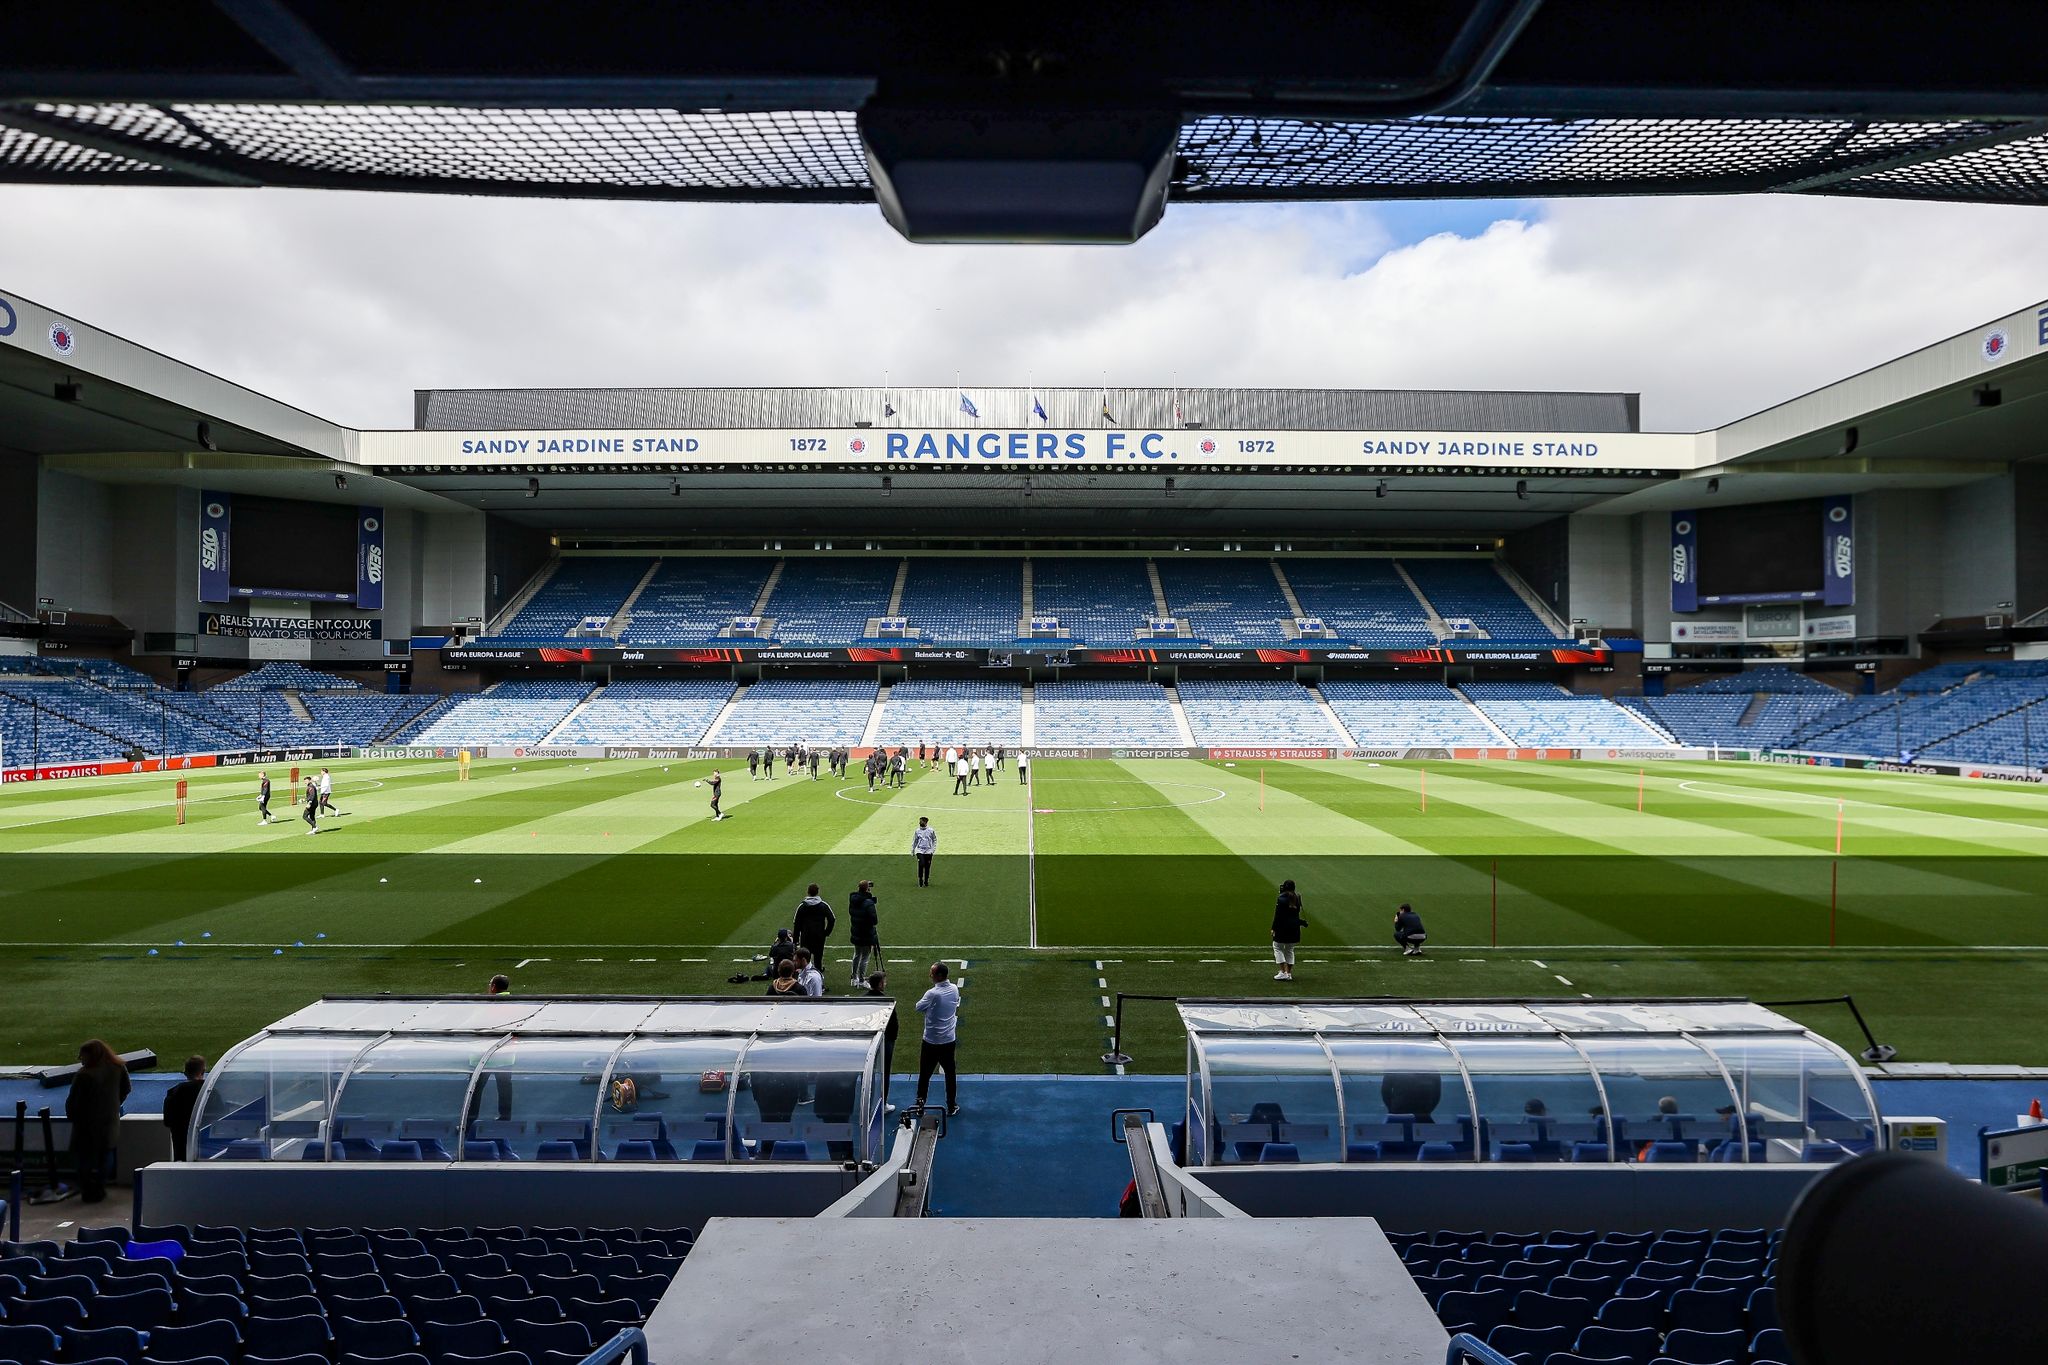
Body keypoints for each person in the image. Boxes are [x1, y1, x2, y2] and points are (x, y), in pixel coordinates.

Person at [66, 1039, 129, 1202]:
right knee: (105, 1154)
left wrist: (72, 1115)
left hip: (86, 1123)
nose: (81, 1059)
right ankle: (99, 1188)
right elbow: (126, 1088)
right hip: (109, 1120)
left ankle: (88, 1190)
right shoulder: (118, 1067)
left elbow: (74, 1101)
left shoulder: (84, 1075)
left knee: (83, 1158)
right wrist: (115, 1104)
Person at [914, 962, 962, 1116]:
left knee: (925, 1074)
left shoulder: (932, 993)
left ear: (940, 976)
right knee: (950, 1073)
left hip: (931, 1040)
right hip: (948, 1040)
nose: (930, 975)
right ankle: (951, 1105)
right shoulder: (954, 988)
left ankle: (920, 1104)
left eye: (933, 973)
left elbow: (918, 1007)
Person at [162, 1055, 205, 1161]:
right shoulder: (210, 1092)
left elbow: (167, 1121)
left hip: (181, 1149)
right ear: (203, 1071)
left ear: (185, 1073)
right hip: (205, 1148)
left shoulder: (174, 1093)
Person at [866, 971, 897, 1111]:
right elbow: (893, 1024)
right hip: (885, 1040)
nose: (885, 984)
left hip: (868, 1040)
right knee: (884, 1072)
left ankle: (866, 1102)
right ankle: (882, 1104)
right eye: (884, 982)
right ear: (879, 984)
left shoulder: (863, 998)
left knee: (869, 1072)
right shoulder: (887, 1001)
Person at [1271, 879, 1306, 981]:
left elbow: (1278, 915)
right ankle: (1289, 973)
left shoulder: (1281, 899)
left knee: (1277, 947)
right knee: (1290, 950)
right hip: (1294, 928)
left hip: (1282, 928)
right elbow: (1295, 915)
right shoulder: (1297, 898)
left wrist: (1273, 928)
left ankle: (1282, 972)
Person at [793, 884, 836, 967]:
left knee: (804, 958)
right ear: (818, 892)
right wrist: (826, 932)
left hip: (805, 936)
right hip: (819, 936)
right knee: (818, 958)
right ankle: (818, 974)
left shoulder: (802, 906)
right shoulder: (823, 905)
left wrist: (795, 939)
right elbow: (832, 919)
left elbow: (796, 923)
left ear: (808, 892)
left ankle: (805, 977)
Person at [848, 880, 880, 983]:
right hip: (866, 933)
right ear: (867, 888)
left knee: (857, 954)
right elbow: (874, 920)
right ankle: (861, 980)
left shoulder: (853, 900)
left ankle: (854, 978)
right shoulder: (868, 903)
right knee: (865, 957)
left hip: (856, 931)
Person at [912, 815, 937, 886]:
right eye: (920, 821)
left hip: (928, 851)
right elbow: (915, 841)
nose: (920, 822)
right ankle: (920, 879)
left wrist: (933, 849)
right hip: (920, 850)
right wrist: (913, 850)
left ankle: (926, 880)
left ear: (925, 822)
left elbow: (934, 840)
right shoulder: (917, 831)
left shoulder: (931, 830)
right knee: (921, 864)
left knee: (927, 866)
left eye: (921, 821)